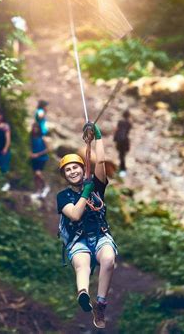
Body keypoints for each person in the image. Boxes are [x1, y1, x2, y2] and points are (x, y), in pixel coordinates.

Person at [56, 123, 117, 330]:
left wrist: (97, 137)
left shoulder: (97, 186)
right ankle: (83, 293)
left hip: (100, 235)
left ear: (83, 169)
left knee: (108, 259)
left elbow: (100, 160)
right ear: (65, 176)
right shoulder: (63, 196)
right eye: (68, 170)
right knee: (82, 263)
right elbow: (74, 214)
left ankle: (100, 305)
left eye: (75, 167)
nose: (72, 171)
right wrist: (84, 193)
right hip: (78, 239)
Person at [30, 122, 50, 199]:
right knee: (35, 176)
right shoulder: (32, 138)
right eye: (34, 128)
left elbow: (48, 149)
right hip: (34, 158)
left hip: (42, 158)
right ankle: (38, 191)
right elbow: (32, 147)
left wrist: (38, 154)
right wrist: (31, 153)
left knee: (38, 173)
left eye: (36, 128)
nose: (35, 129)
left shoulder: (42, 137)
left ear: (39, 129)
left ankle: (46, 186)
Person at [113, 110, 132, 177]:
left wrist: (115, 139)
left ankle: (122, 169)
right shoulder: (129, 123)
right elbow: (127, 132)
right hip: (125, 141)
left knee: (121, 155)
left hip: (120, 140)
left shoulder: (120, 122)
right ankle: (122, 169)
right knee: (122, 155)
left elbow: (117, 130)